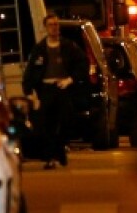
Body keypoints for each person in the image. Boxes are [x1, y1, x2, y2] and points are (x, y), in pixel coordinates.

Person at [23, 13, 90, 168]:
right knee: (46, 124)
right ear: (45, 28)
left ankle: (60, 150)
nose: (54, 28)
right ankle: (50, 157)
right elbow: (30, 72)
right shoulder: (40, 49)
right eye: (51, 25)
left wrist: (70, 79)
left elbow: (82, 63)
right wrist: (30, 93)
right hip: (46, 90)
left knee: (66, 121)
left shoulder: (68, 46)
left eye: (56, 24)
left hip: (62, 89)